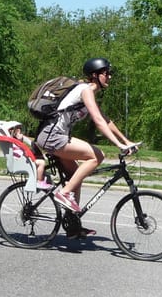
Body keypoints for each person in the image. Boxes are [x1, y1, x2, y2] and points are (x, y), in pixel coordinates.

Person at [35, 57, 135, 217]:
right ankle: (64, 193)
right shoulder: (85, 90)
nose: (110, 76)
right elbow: (98, 121)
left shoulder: (88, 94)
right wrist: (118, 144)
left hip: (56, 136)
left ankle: (73, 224)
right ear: (95, 75)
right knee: (97, 156)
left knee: (76, 176)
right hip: (52, 136)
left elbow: (106, 121)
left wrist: (126, 141)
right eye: (106, 73)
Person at [8, 123, 49, 190]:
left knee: (39, 160)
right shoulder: (15, 143)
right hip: (21, 162)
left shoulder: (13, 143)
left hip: (21, 160)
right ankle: (40, 182)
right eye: (18, 131)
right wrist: (21, 140)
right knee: (42, 163)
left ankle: (42, 177)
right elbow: (21, 152)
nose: (20, 133)